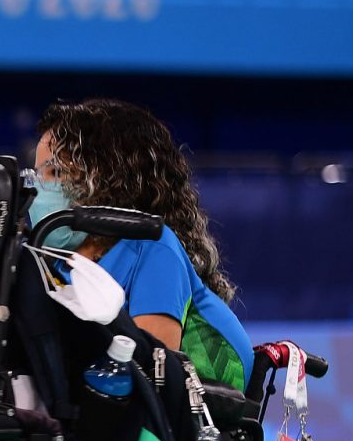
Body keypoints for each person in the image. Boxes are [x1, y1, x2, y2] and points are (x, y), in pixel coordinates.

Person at [32, 99, 253, 387]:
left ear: (106, 177)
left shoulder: (155, 249)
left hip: (194, 419)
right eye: (38, 175)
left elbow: (150, 382)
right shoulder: (55, 263)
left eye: (56, 173)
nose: (39, 189)